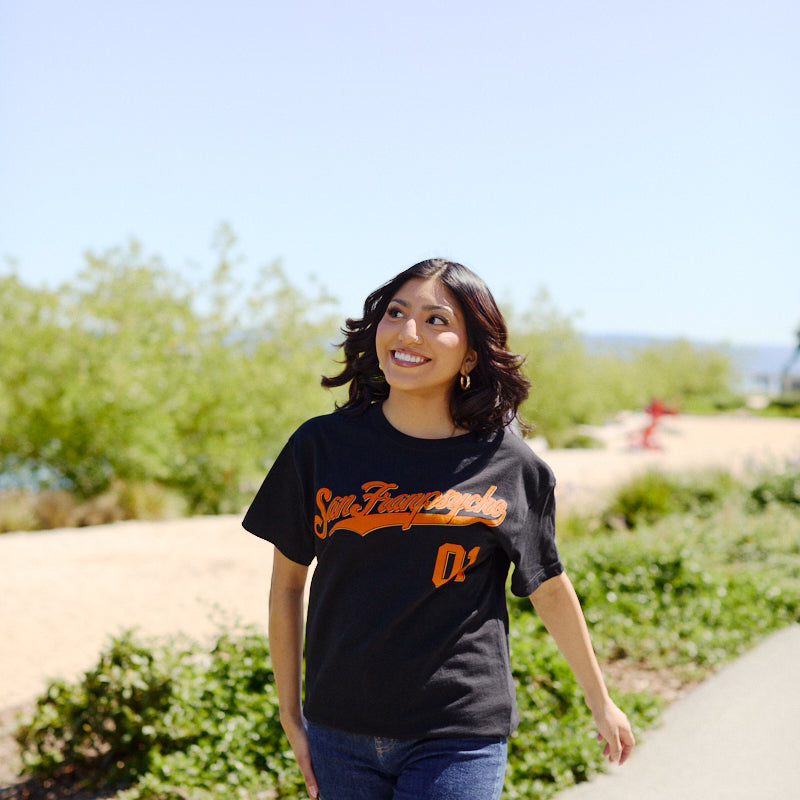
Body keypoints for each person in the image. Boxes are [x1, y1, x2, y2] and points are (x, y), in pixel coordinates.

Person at [243, 259, 634, 800]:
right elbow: (287, 586)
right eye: (396, 313)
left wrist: (600, 698)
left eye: (435, 320)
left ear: (471, 352)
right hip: (340, 730)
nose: (408, 333)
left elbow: (547, 584)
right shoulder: (320, 447)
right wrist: (291, 713)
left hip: (458, 732)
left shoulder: (511, 465)